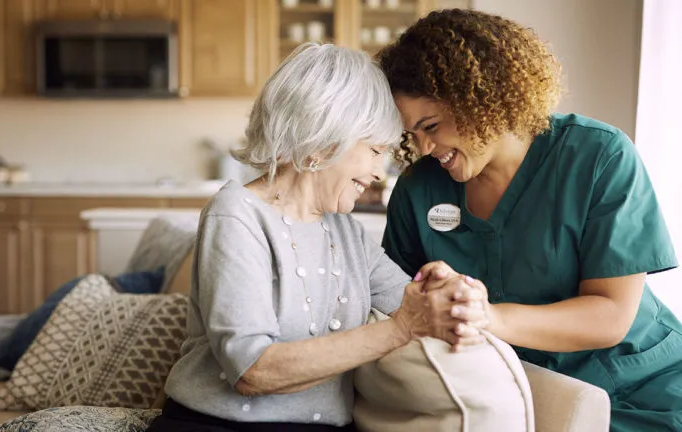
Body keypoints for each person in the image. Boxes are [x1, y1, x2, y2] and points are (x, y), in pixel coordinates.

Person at [146, 43, 487, 432]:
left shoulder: (347, 233)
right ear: (324, 138)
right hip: (216, 425)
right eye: (375, 150)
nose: (379, 172)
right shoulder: (236, 215)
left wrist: (452, 291)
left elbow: (412, 301)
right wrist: (400, 329)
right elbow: (252, 371)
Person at [377, 8, 682, 432]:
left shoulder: (598, 157)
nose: (425, 147)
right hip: (518, 393)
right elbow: (395, 304)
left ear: (480, 98)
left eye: (432, 126)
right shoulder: (418, 190)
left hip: (644, 386)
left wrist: (489, 317)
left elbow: (611, 314)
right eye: (411, 134)